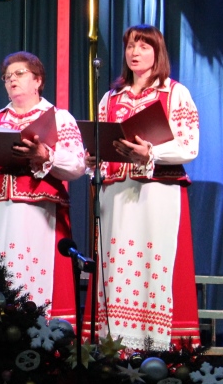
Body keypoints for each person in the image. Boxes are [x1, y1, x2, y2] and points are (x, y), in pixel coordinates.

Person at [86, 24, 200, 350]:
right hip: (115, 194)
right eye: (130, 46)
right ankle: (114, 344)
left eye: (143, 46)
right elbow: (99, 142)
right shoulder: (111, 98)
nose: (134, 52)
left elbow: (189, 146)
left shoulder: (175, 93)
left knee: (153, 262)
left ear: (157, 52)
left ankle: (154, 345)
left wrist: (151, 152)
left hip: (156, 191)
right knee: (116, 267)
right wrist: (93, 155)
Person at [0, 51, 85, 324]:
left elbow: (77, 165)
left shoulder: (59, 118)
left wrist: (45, 155)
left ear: (38, 80)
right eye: (7, 76)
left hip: (38, 211)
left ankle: (38, 328)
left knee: (32, 273)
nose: (12, 80)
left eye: (20, 74)